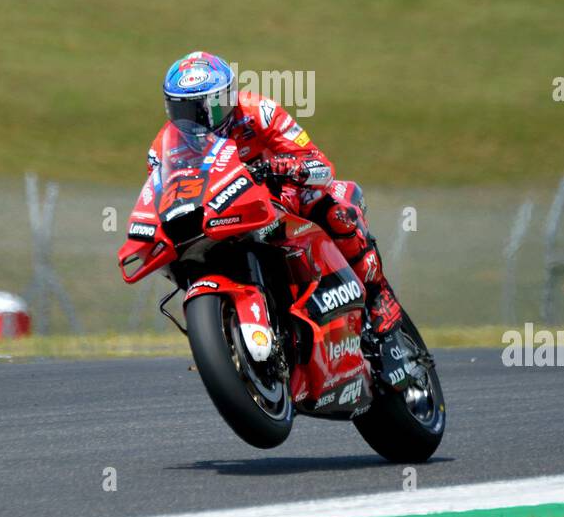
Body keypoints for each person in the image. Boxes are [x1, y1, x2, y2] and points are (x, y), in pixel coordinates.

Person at [150, 50, 411, 389]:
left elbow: (320, 167)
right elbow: (162, 195)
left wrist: (283, 167)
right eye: (185, 110)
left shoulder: (259, 111)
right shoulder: (163, 146)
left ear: (227, 97)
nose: (197, 120)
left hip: (278, 199)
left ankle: (378, 298)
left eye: (207, 107)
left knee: (331, 204)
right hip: (219, 218)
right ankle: (223, 333)